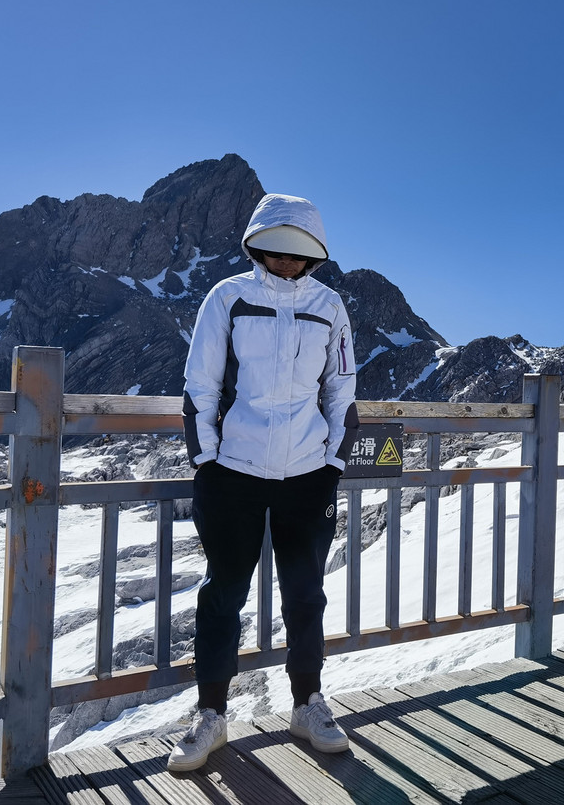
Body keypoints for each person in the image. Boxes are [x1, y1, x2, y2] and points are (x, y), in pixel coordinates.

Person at [168, 193, 359, 773]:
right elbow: (200, 384)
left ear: (314, 255)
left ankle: (307, 704)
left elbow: (340, 389)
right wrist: (206, 460)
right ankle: (211, 716)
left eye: (298, 253)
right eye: (275, 250)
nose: (285, 262)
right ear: (257, 245)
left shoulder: (330, 307)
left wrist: (331, 463)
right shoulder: (226, 298)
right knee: (222, 595)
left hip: (307, 476)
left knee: (306, 594)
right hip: (234, 474)